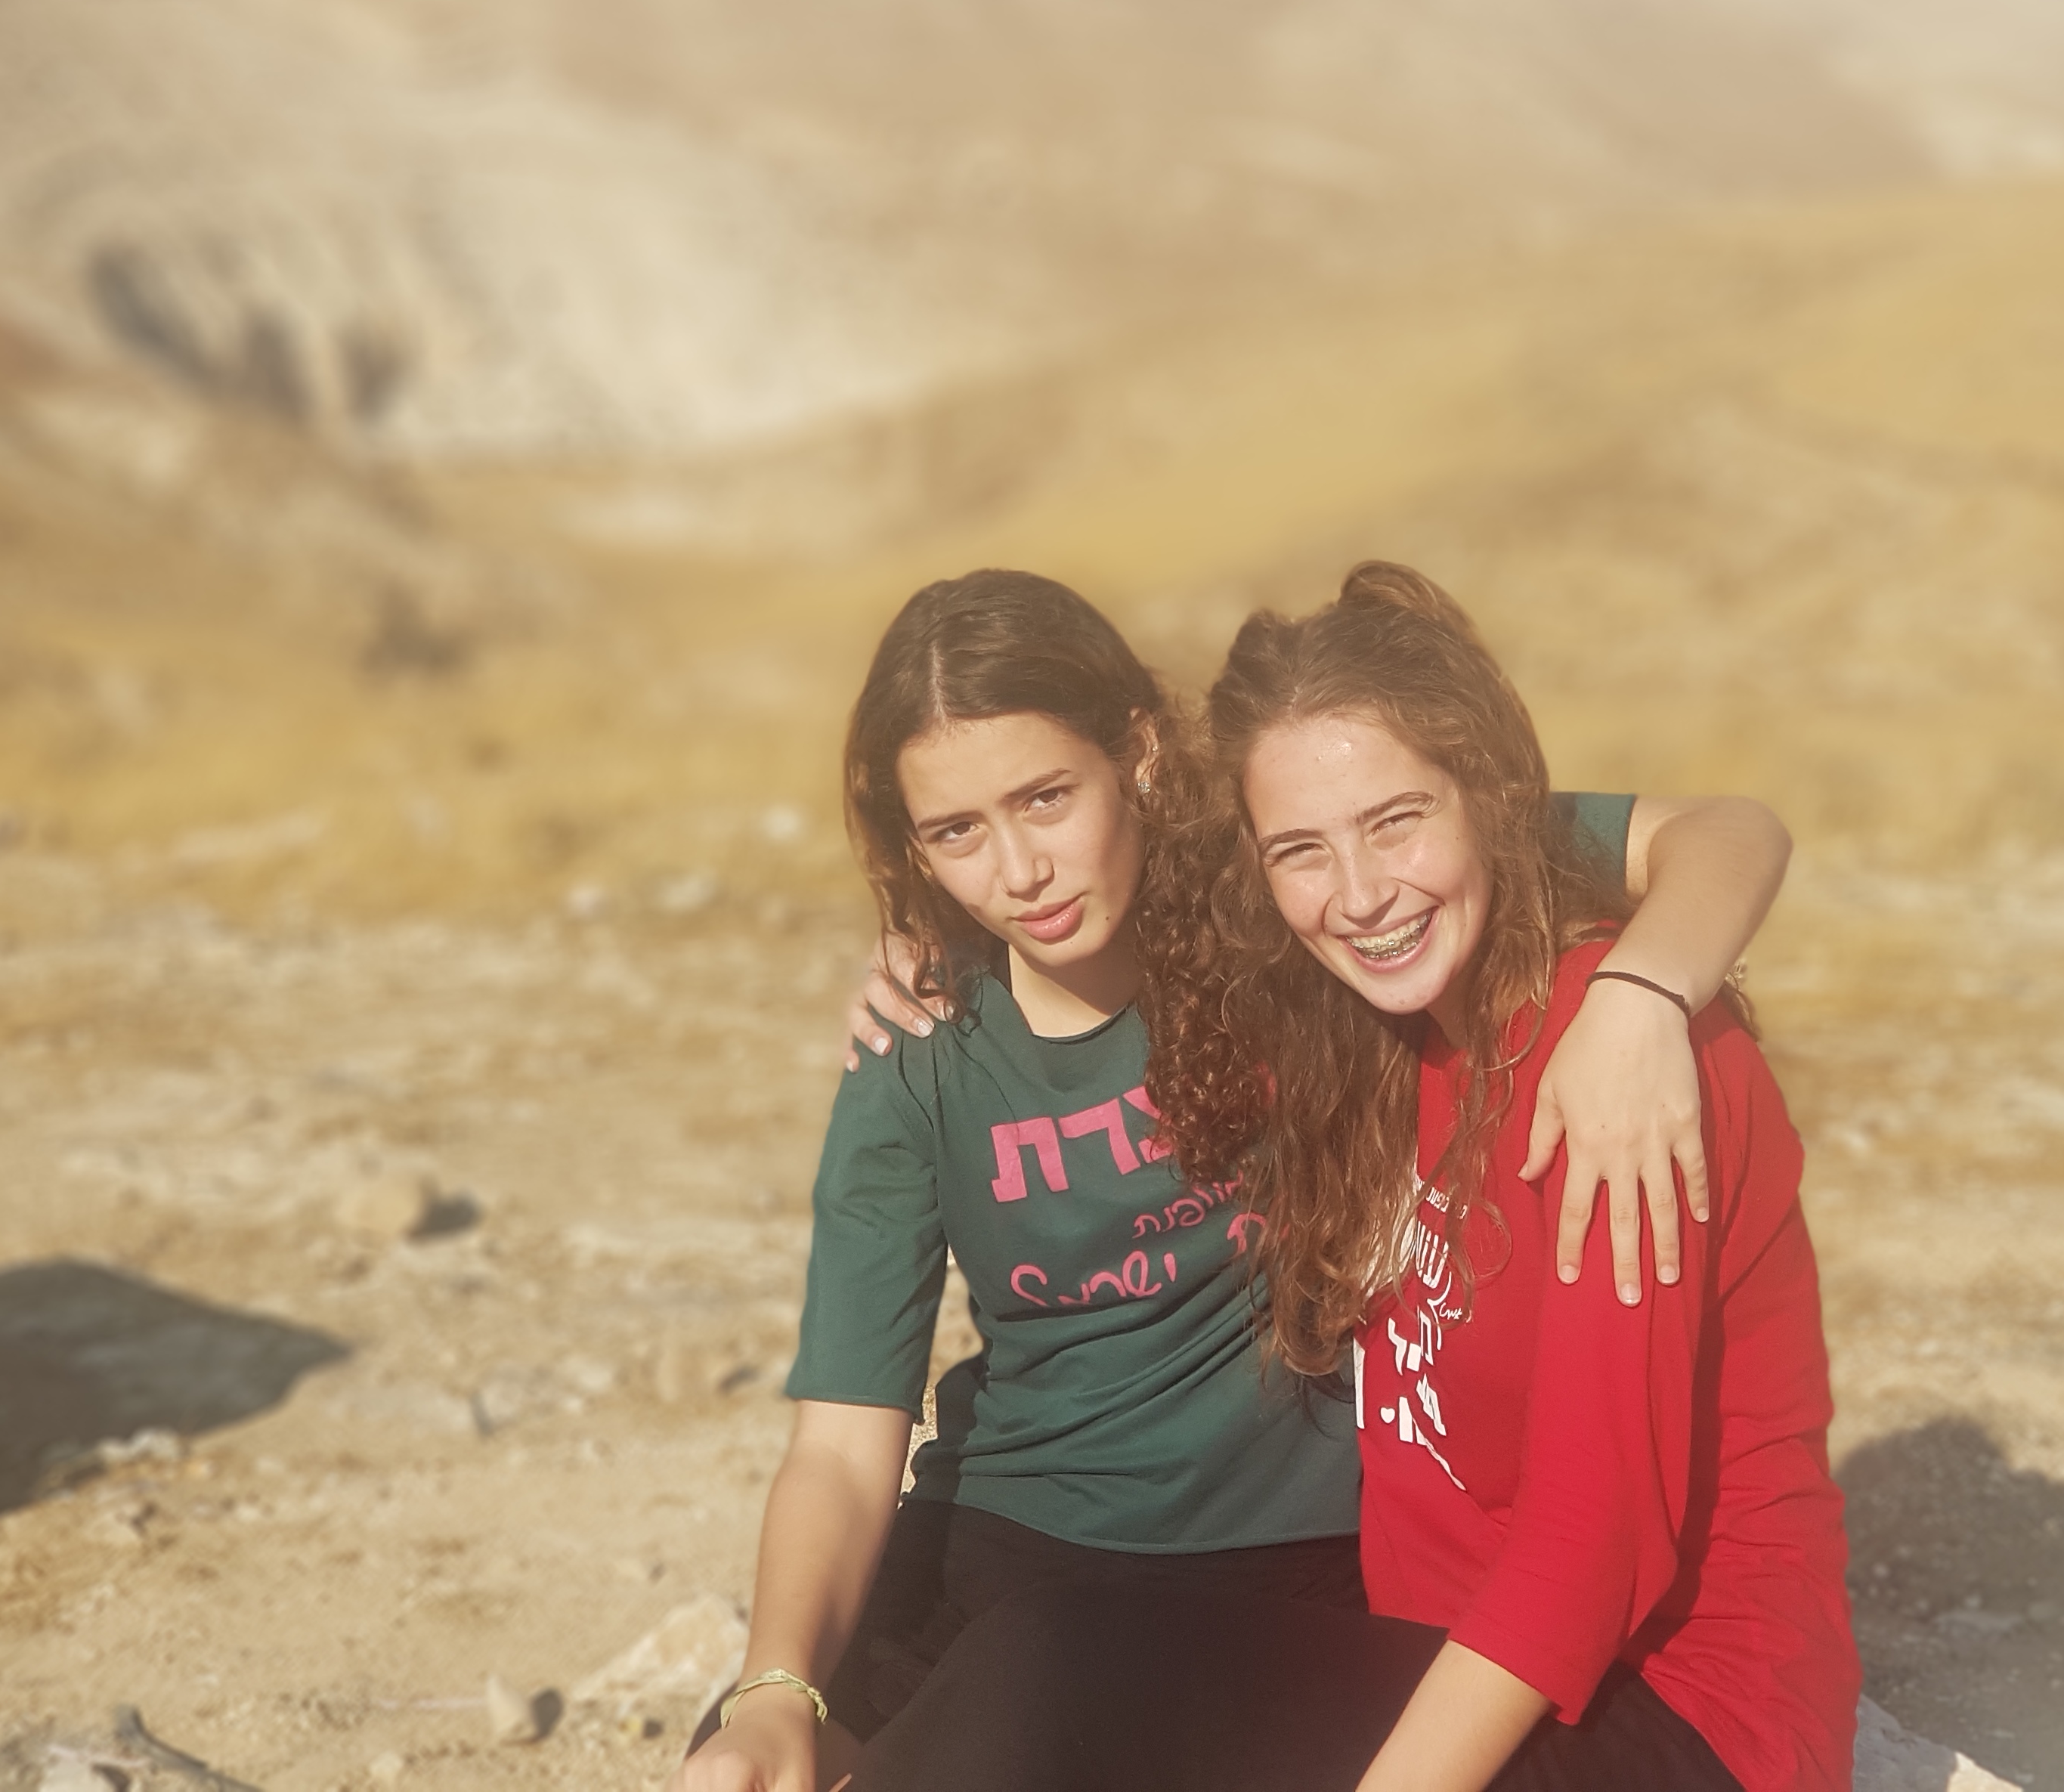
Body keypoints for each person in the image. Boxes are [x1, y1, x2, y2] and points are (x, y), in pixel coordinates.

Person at [675, 569, 1793, 1792]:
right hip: (1009, 1538)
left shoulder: (1295, 898)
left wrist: (1643, 996)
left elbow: (1723, 832)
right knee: (748, 1764)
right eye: (957, 833)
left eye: (1046, 799)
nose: (1020, 870)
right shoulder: (921, 1048)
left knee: (1038, 1696)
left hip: (1295, 1557)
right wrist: (774, 1686)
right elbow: (844, 1447)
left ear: (1139, 756)